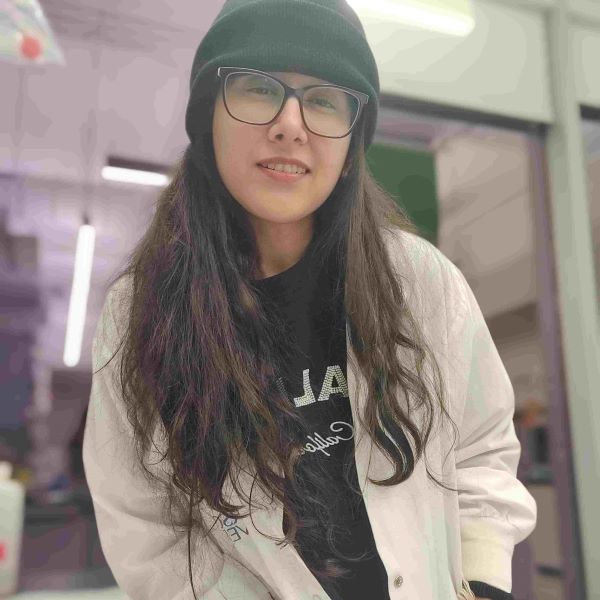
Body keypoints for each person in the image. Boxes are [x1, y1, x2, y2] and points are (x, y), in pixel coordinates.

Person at [82, 1, 537, 599]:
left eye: (324, 99)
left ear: (352, 141)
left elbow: (481, 447)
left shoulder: (420, 280)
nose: (290, 124)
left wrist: (482, 580)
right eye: (258, 87)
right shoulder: (140, 312)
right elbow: (146, 529)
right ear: (208, 114)